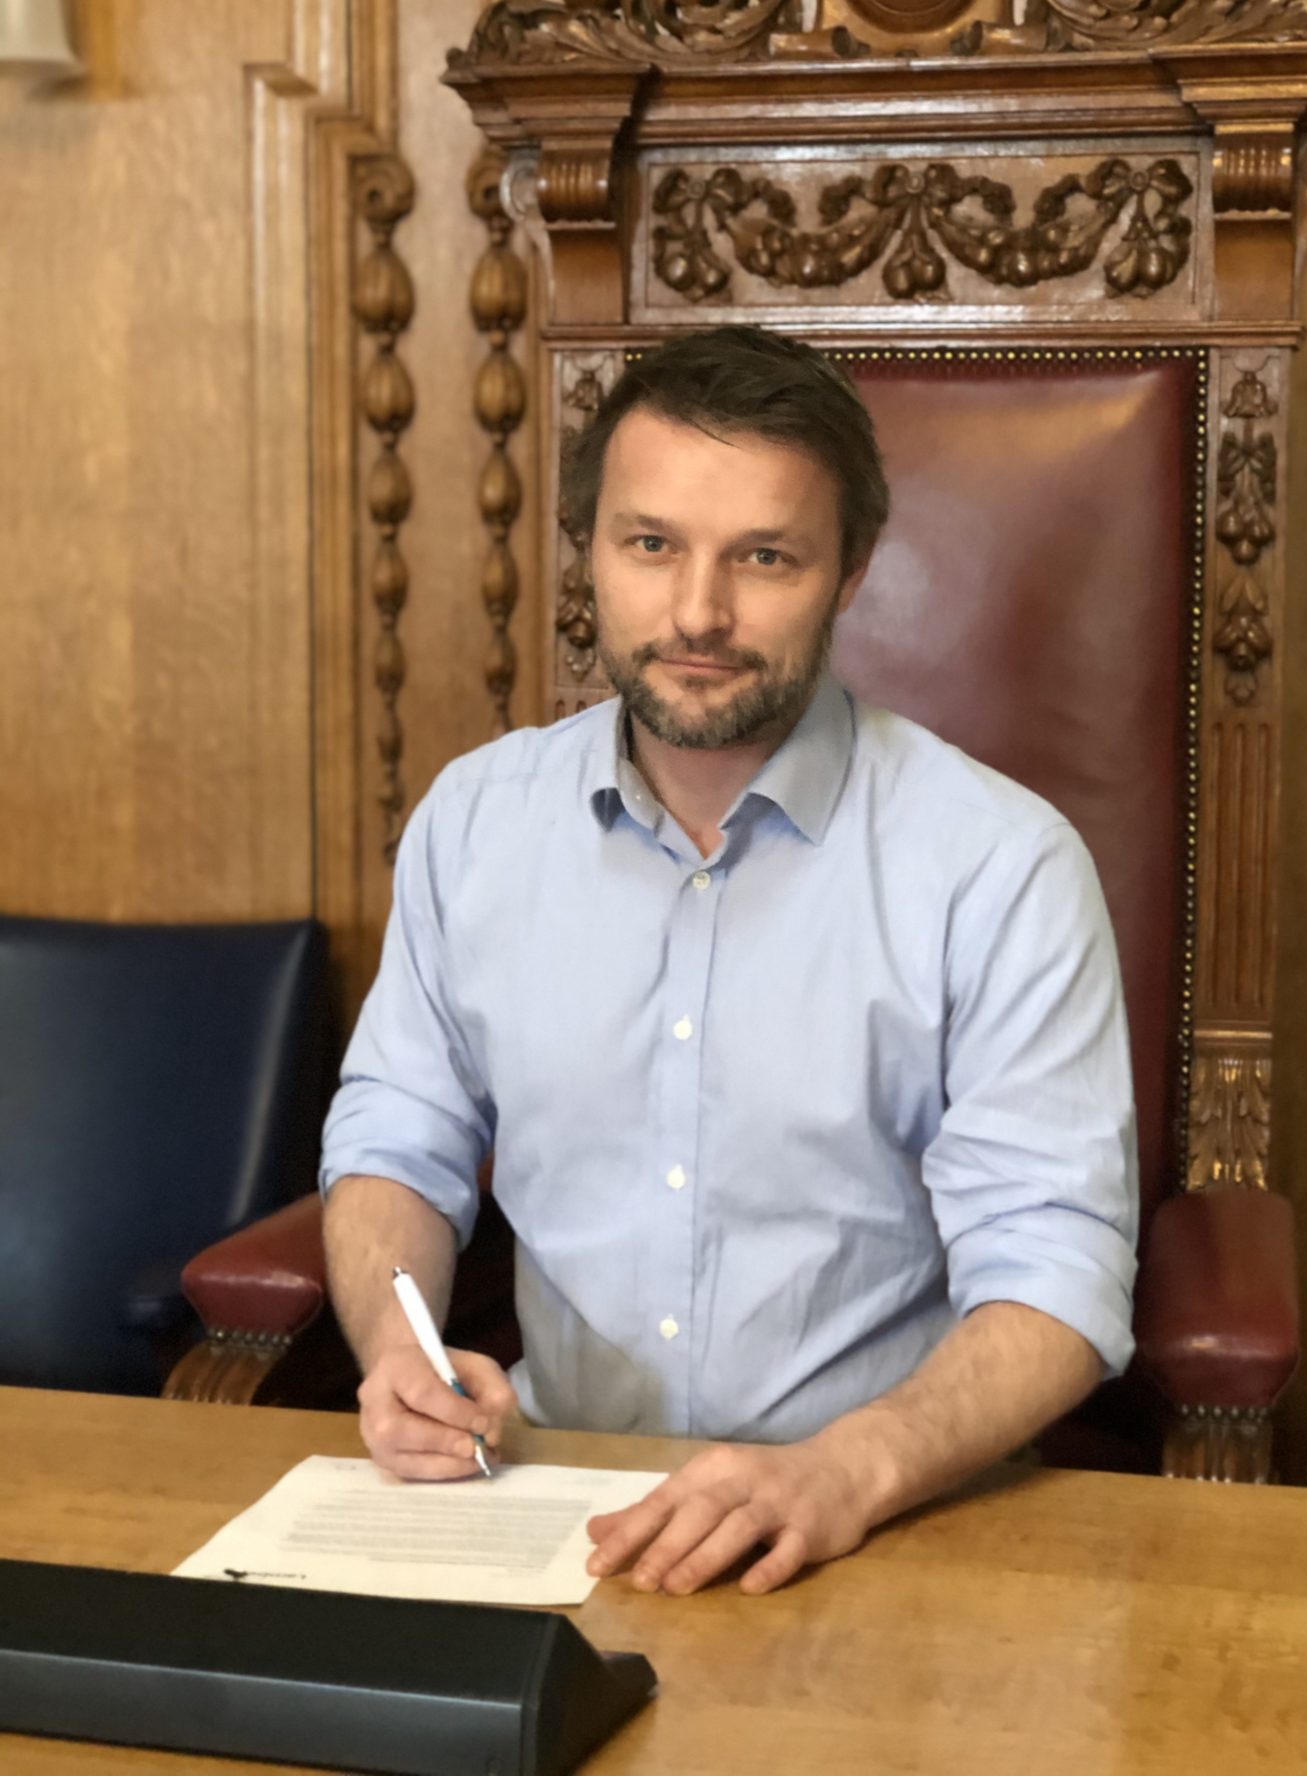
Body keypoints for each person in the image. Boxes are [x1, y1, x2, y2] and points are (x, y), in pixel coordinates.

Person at [320, 323, 1138, 1597]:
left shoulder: (1000, 864)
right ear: (588, 547)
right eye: (652, 545)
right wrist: (399, 1346)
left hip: (890, 1523)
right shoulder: (474, 824)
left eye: (763, 555)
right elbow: (395, 1137)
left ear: (852, 570)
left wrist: (847, 1470)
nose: (698, 612)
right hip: (553, 1510)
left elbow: (1058, 1268)